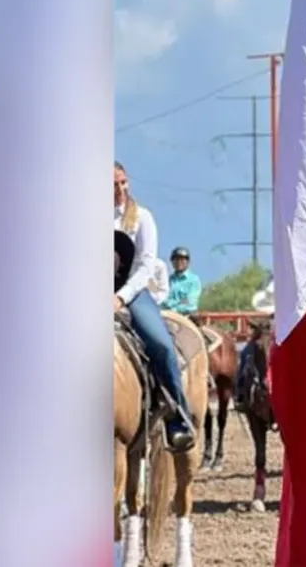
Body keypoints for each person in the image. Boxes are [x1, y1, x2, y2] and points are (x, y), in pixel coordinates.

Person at [114, 161, 196, 451]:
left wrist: (121, 297)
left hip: (133, 293)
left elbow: (146, 265)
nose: (121, 189)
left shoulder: (141, 218)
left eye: (123, 182)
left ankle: (178, 418)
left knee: (160, 343)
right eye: (114, 185)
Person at [161, 246, 202, 316]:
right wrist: (179, 302)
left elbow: (190, 302)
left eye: (182, 259)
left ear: (188, 262)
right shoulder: (168, 280)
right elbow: (163, 300)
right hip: (167, 314)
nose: (179, 262)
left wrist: (173, 308)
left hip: (186, 315)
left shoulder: (193, 280)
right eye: (175, 259)